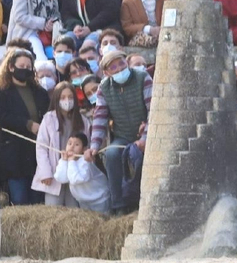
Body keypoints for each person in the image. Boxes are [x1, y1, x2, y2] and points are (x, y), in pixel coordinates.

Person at [88, 47, 150, 215]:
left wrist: (145, 137)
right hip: (122, 135)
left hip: (146, 134)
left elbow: (152, 109)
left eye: (121, 63)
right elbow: (100, 117)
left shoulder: (142, 78)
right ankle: (118, 204)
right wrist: (95, 144)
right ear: (107, 72)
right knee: (112, 154)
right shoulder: (104, 88)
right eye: (113, 67)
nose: (119, 68)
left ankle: (143, 201)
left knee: (140, 157)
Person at [0, 49, 47, 204]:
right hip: (14, 156)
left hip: (36, 153)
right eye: (21, 65)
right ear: (11, 67)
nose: (25, 69)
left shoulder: (40, 92)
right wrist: (28, 124)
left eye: (28, 66)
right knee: (20, 199)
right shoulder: (2, 92)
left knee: (37, 201)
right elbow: (0, 117)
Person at [32, 78, 86, 206]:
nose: (67, 100)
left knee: (74, 209)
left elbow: (85, 147)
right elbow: (41, 147)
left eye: (70, 97)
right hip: (54, 173)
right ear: (56, 99)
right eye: (62, 97)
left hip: (74, 172)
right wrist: (45, 172)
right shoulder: (49, 119)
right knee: (53, 209)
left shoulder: (83, 120)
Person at [54, 131, 109, 213]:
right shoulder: (67, 161)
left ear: (84, 149)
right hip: (83, 201)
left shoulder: (86, 161)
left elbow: (76, 179)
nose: (71, 147)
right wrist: (64, 161)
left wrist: (71, 161)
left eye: (76, 145)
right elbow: (61, 178)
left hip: (99, 199)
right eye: (69, 143)